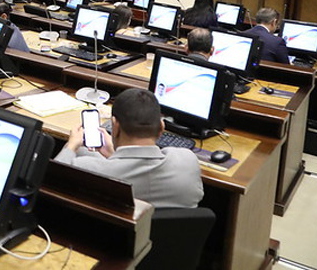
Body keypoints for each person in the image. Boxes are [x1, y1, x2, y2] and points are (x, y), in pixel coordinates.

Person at [54, 88, 204, 209]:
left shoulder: (87, 170)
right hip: (172, 245)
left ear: (115, 126)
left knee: (83, 150)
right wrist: (113, 153)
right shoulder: (188, 160)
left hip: (111, 244)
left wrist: (72, 145)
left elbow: (52, 180)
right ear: (161, 128)